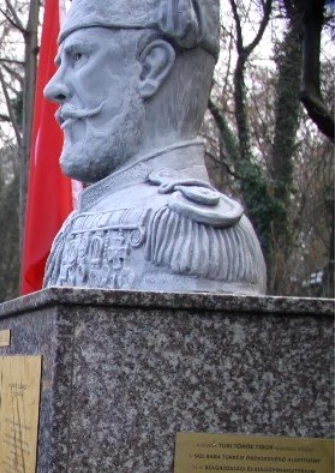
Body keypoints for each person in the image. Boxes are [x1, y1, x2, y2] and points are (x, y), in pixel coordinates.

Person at [41, 0, 264, 293]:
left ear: (150, 67)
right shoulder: (82, 221)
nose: (53, 88)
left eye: (79, 56)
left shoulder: (192, 226)